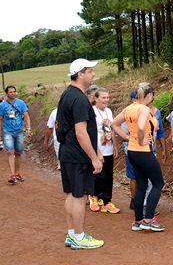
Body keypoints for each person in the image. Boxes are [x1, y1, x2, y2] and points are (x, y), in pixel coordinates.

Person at [57, 58, 104, 249]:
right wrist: (94, 157)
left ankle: (71, 234)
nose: (93, 74)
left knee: (71, 193)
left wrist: (96, 151)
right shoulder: (78, 98)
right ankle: (79, 236)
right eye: (90, 71)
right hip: (78, 155)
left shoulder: (67, 94)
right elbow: (81, 132)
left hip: (68, 152)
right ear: (80, 73)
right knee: (79, 196)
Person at [111, 82, 166, 232]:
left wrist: (128, 138)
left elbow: (114, 124)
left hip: (132, 151)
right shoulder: (143, 109)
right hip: (143, 151)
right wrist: (140, 139)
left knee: (141, 184)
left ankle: (138, 221)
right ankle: (148, 219)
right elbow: (141, 127)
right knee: (158, 183)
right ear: (148, 96)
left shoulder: (130, 108)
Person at [89, 88, 120, 214]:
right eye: (103, 97)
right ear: (96, 99)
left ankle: (106, 201)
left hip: (109, 148)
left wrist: (115, 146)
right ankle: (93, 196)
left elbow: (111, 129)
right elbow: (89, 133)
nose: (106, 100)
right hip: (97, 150)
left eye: (107, 97)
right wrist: (97, 152)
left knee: (108, 176)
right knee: (98, 175)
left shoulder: (109, 111)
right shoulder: (91, 112)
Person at [0, 85, 31, 184]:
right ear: (7, 93)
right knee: (10, 152)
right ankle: (12, 175)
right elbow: (0, 121)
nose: (13, 93)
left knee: (18, 153)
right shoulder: (2, 106)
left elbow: (26, 116)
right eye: (11, 92)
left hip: (19, 131)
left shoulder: (21, 103)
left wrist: (28, 128)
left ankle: (17, 173)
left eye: (14, 92)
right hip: (7, 131)